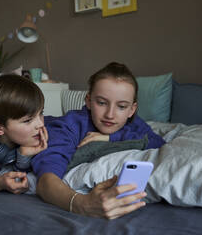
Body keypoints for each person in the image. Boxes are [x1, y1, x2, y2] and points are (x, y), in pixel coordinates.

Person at [32, 62, 166, 219]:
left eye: (121, 106)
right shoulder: (70, 126)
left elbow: (157, 142)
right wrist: (82, 204)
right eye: (101, 103)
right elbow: (46, 180)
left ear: (132, 110)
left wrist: (110, 137)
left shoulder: (133, 123)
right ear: (88, 101)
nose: (110, 114)